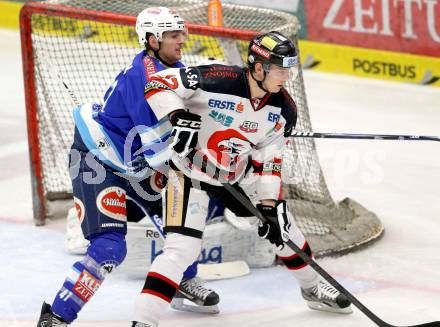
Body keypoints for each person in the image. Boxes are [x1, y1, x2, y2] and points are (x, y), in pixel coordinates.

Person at [131, 31, 353, 326]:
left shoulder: (284, 109)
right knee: (180, 250)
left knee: (283, 229)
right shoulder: (214, 78)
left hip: (237, 173)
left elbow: (269, 162)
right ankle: (143, 321)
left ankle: (312, 289)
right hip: (187, 172)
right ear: (258, 67)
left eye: (289, 68)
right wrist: (177, 117)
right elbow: (157, 84)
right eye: (279, 68)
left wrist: (267, 205)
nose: (286, 76)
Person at [36, 7, 220, 327]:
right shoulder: (144, 77)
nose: (182, 40)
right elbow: (158, 147)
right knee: (109, 248)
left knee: (182, 228)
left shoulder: (174, 69)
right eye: (173, 35)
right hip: (99, 161)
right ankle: (56, 317)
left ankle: (180, 281)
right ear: (152, 40)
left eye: (181, 33)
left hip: (138, 164)